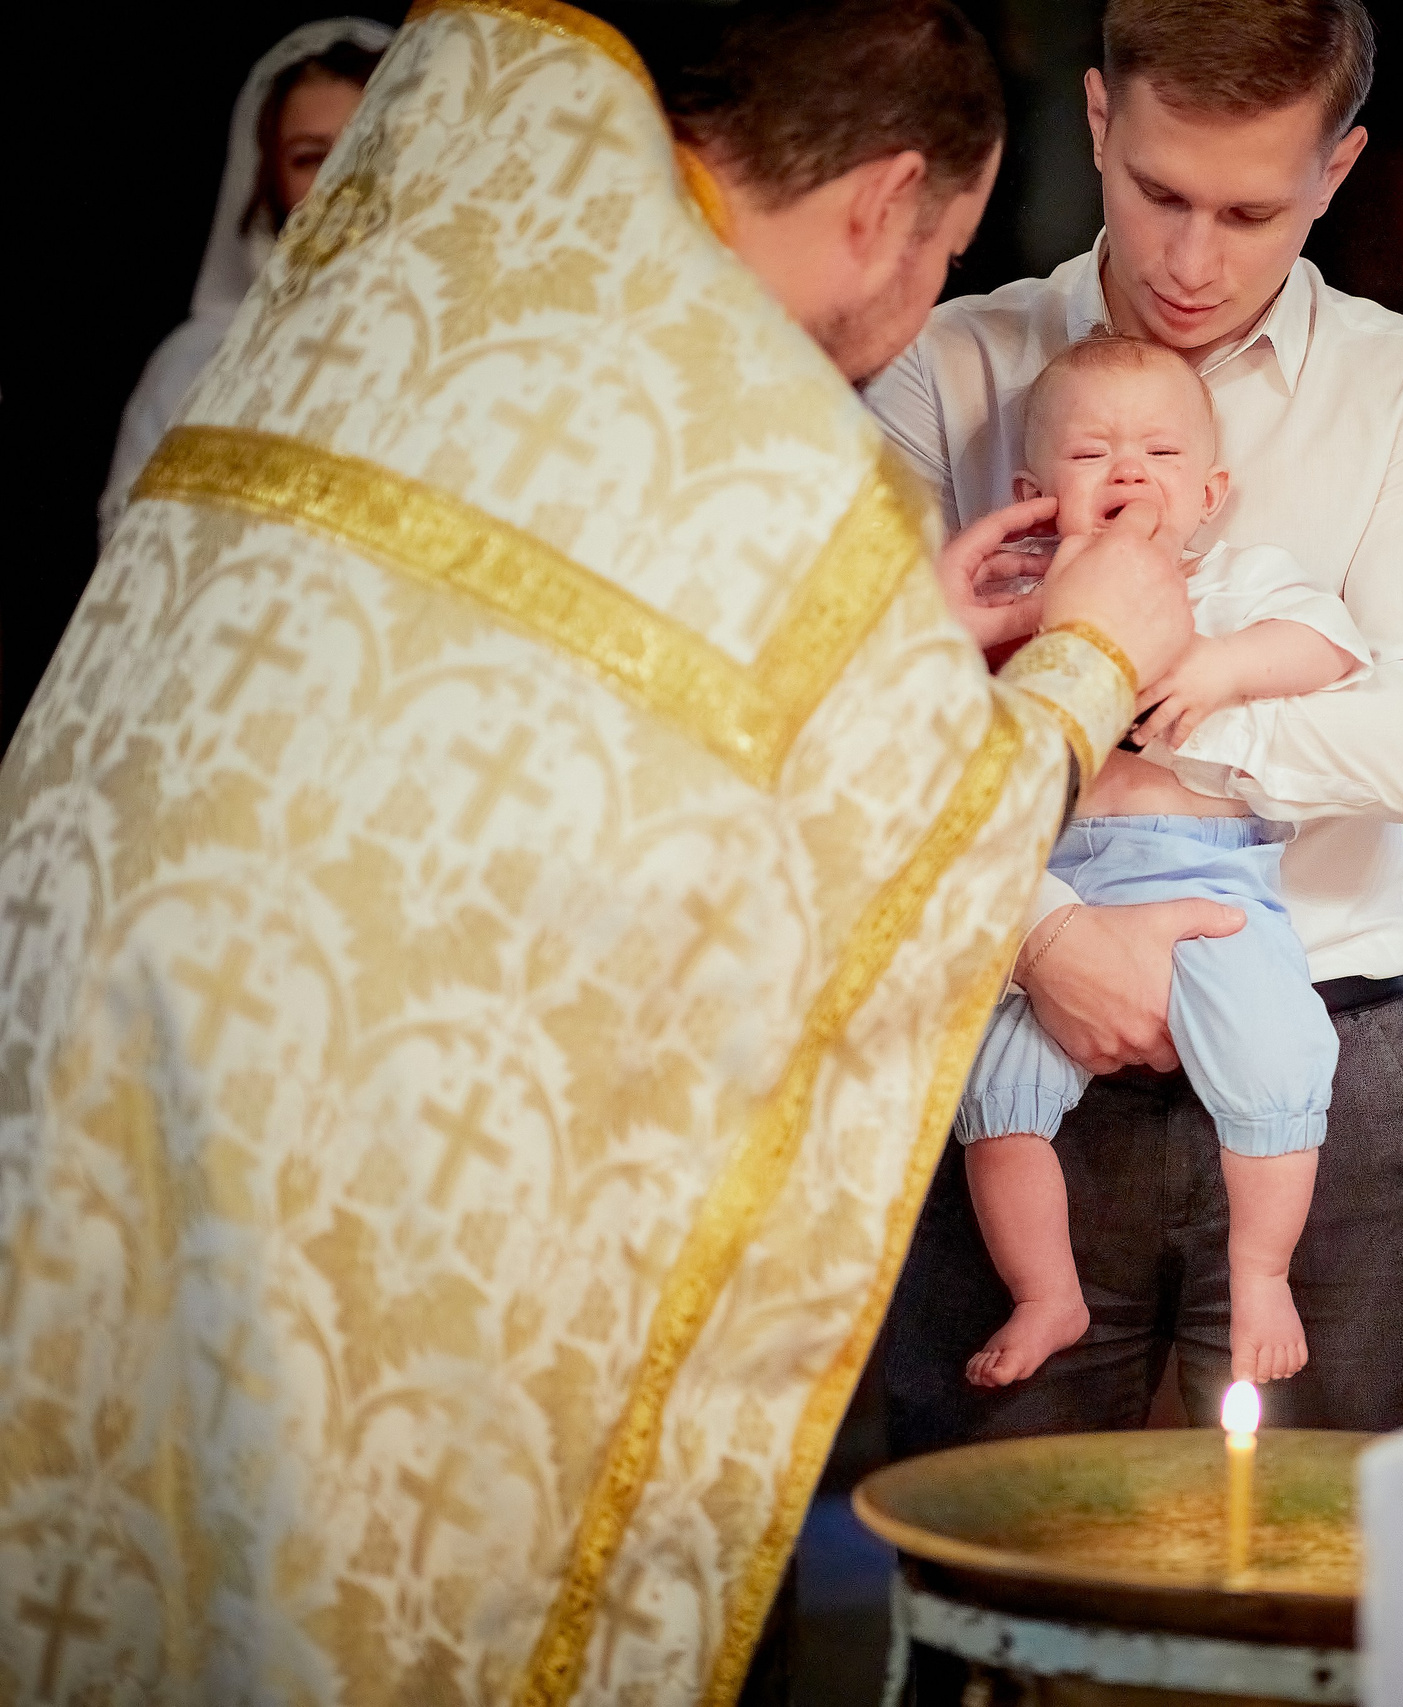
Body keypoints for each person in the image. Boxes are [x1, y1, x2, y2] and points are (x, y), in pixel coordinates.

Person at [0, 0, 1196, 1700]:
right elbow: (880, 884)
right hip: (369, 1191)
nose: (922, 301)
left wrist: (894, 640)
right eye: (939, 253)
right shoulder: (778, 456)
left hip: (104, 1094)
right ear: (886, 201)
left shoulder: (398, 307)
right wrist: (1093, 664)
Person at [870, 0, 1403, 1449]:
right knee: (986, 1570)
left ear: (1337, 170)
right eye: (1159, 192)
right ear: (1098, 120)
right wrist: (1043, 931)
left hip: (1326, 1045)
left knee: (1328, 1575)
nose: (1189, 260)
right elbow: (867, 726)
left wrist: (1152, 703)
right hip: (1008, 1020)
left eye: (1250, 209)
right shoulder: (947, 367)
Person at [954, 333, 1368, 1390]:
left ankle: (1261, 1270)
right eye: (1092, 454)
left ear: (1211, 492)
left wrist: (1221, 664)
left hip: (1210, 878)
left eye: (1161, 455)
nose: (1130, 473)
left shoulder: (1232, 585)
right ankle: (1047, 1293)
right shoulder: (1010, 597)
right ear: (1034, 491)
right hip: (1059, 893)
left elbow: (1331, 647)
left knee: (1276, 1061)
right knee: (991, 1099)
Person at [96, 19, 392, 547]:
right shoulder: (197, 362)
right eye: (309, 157)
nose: (338, 180)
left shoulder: (463, 345)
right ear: (270, 181)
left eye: (362, 146)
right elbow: (132, 559)